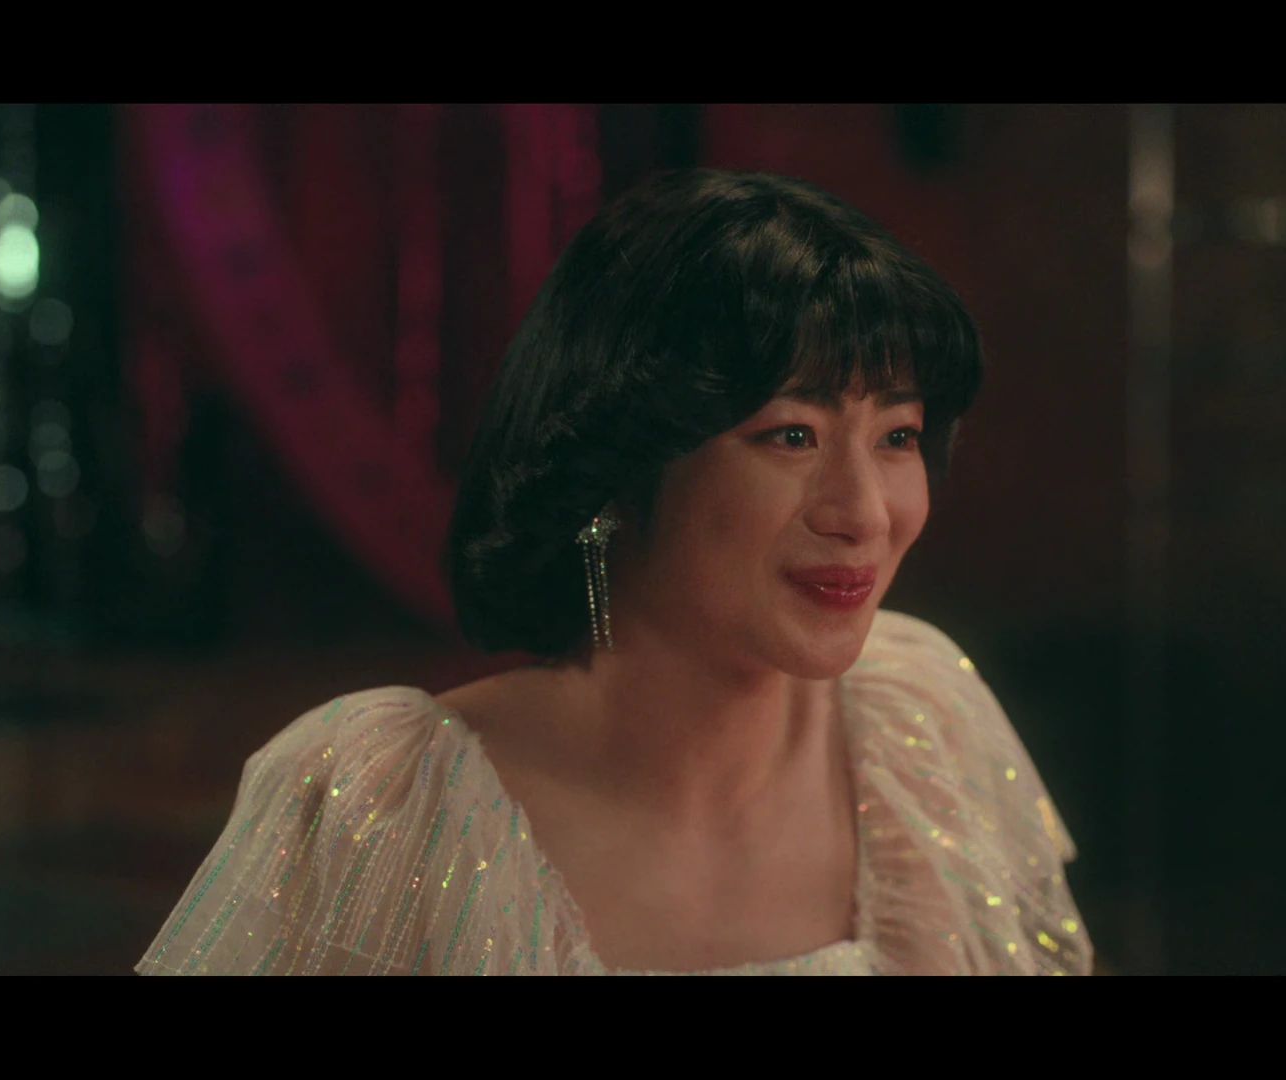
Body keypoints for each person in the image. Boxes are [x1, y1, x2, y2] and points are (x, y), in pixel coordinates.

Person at [135, 169, 1092, 975]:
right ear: (622, 471)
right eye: (792, 435)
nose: (866, 513)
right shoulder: (389, 807)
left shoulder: (920, 727)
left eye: (897, 436)